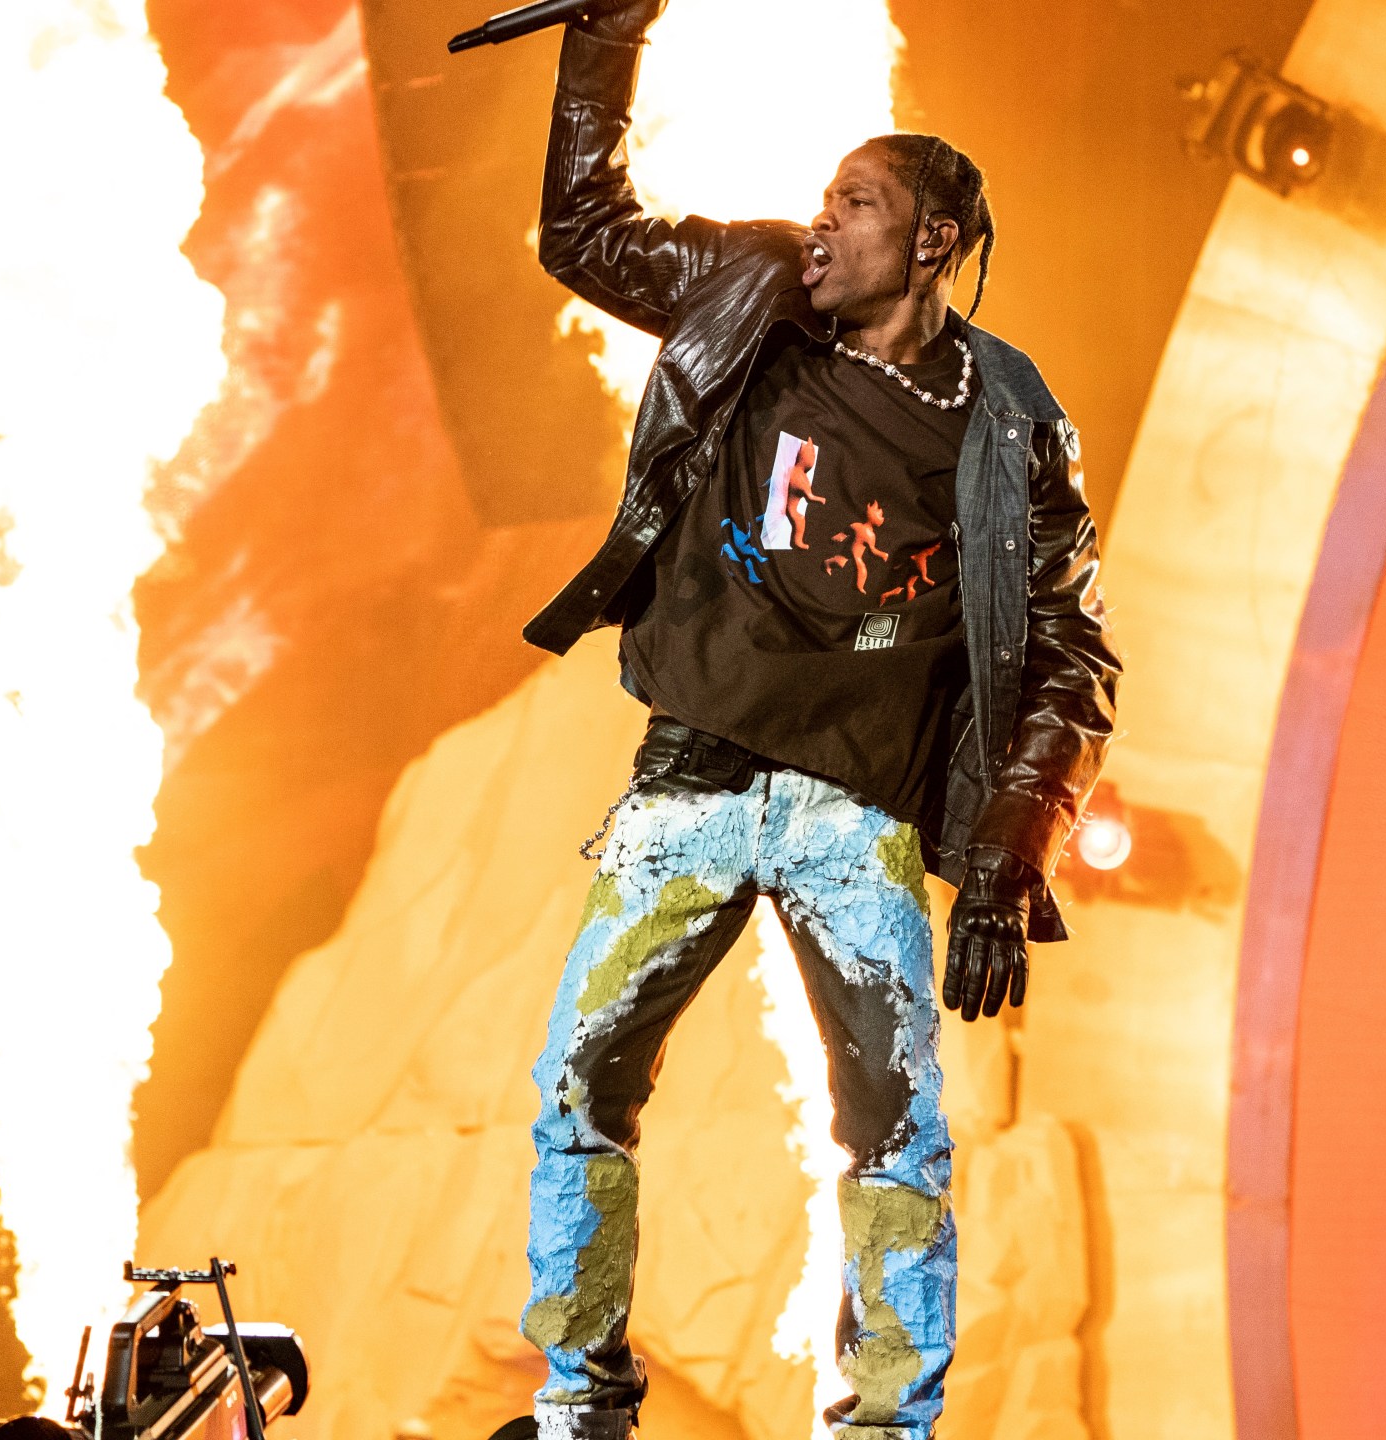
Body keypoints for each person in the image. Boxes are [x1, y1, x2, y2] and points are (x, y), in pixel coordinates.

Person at [513, 4, 1119, 1437]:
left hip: (857, 819)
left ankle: (886, 1426)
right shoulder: (749, 289)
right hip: (690, 778)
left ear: (932, 245)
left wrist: (1013, 847)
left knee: (897, 1137)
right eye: (824, 195)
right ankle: (579, 1408)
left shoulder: (1007, 419)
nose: (821, 220)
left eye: (857, 203)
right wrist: (603, 44)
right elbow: (583, 236)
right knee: (578, 1086)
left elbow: (1073, 650)